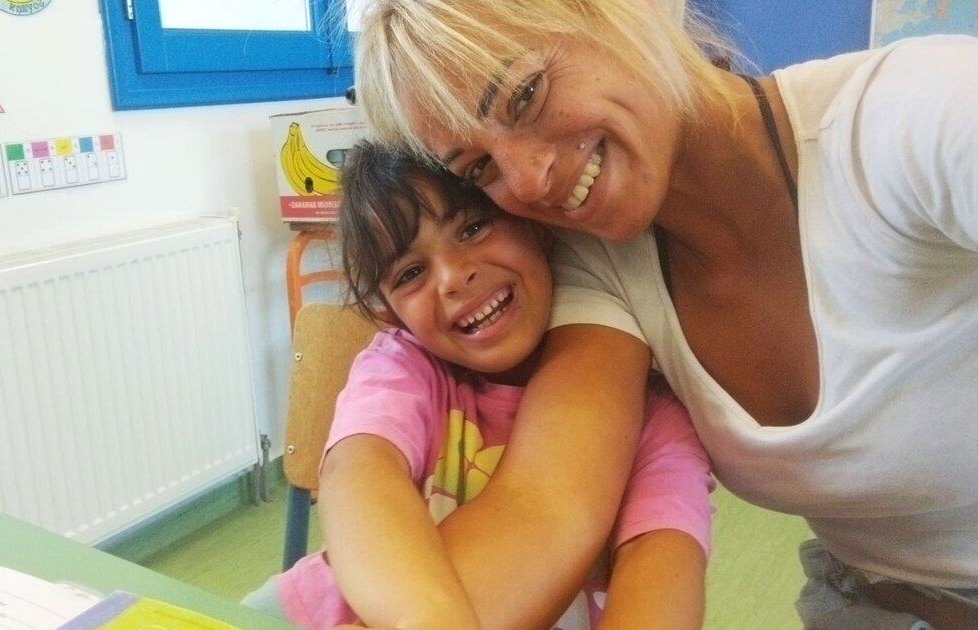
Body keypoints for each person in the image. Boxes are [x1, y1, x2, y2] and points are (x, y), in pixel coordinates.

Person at [351, 0, 978, 628]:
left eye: (526, 95)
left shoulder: (917, 114)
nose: (529, 181)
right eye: (480, 168)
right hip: (866, 605)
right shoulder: (596, 260)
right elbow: (546, 506)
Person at [242, 140, 714, 629]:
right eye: (411, 273)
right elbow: (359, 472)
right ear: (391, 314)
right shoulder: (405, 367)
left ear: (540, 227)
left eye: (472, 228)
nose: (452, 277)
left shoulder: (650, 414)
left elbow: (661, 563)